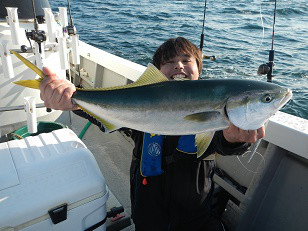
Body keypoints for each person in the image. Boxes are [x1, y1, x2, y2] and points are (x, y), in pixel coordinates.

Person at [40, 37, 265, 231]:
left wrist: (236, 139)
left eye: (187, 61)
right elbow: (111, 117)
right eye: (169, 62)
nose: (179, 66)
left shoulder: (213, 105)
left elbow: (222, 142)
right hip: (149, 210)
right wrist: (73, 102)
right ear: (156, 74)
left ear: (199, 70)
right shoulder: (142, 100)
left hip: (195, 214)